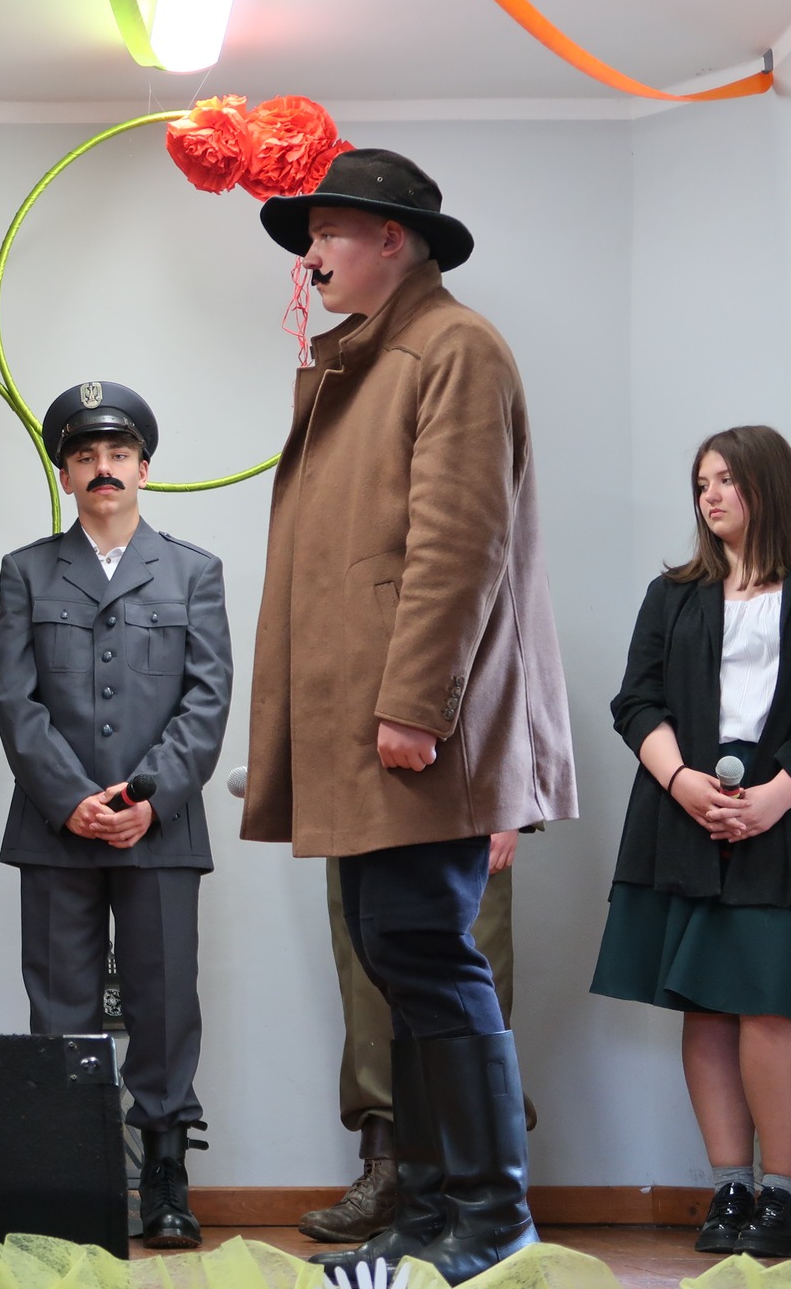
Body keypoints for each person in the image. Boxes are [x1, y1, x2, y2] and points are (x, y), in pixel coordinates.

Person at [242, 149, 577, 1285]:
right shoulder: (373, 357)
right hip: (368, 730)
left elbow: (457, 544)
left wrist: (415, 706)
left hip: (414, 728)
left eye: (326, 232)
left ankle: (491, 1215)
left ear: (394, 238)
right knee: (398, 952)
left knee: (426, 948)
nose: (310, 255)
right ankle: (432, 1212)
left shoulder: (452, 348)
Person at [0, 382, 230, 1249]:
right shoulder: (26, 570)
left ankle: (165, 1177)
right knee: (60, 1006)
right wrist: (73, 800)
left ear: (144, 468)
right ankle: (69, 1180)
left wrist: (145, 800)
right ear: (66, 473)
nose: (104, 469)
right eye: (86, 456)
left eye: (119, 454)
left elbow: (207, 700)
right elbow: (16, 702)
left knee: (164, 1006)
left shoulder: (194, 571)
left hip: (159, 831)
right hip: (57, 829)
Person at [593, 425, 791, 1260]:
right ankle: (730, 1188)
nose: (710, 495)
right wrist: (683, 781)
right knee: (709, 1002)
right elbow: (636, 701)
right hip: (684, 810)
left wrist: (777, 795)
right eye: (701, 483)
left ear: (769, 484)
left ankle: (785, 1198)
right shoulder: (674, 594)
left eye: (726, 479)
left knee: (775, 998)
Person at [300, 839, 533, 1245]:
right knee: (385, 954)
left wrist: (508, 809)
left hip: (446, 809)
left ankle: (490, 1224)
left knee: (434, 955)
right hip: (363, 811)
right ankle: (420, 1213)